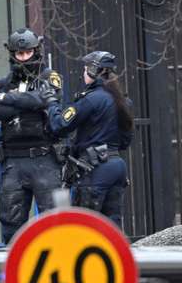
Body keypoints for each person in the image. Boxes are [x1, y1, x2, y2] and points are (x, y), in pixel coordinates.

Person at [0, 28, 63, 243]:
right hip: (14, 161)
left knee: (53, 222)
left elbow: (44, 100)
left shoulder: (49, 77)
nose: (23, 57)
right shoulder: (1, 82)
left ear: (36, 51)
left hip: (44, 158)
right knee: (11, 221)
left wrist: (6, 98)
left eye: (27, 52)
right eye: (19, 54)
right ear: (12, 54)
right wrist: (28, 102)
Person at [46, 50, 133, 228]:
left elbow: (60, 125)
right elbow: (125, 140)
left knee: (83, 227)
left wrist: (52, 102)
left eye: (85, 69)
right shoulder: (123, 101)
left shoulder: (92, 99)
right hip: (116, 166)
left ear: (94, 71)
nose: (83, 73)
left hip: (95, 169)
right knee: (111, 228)